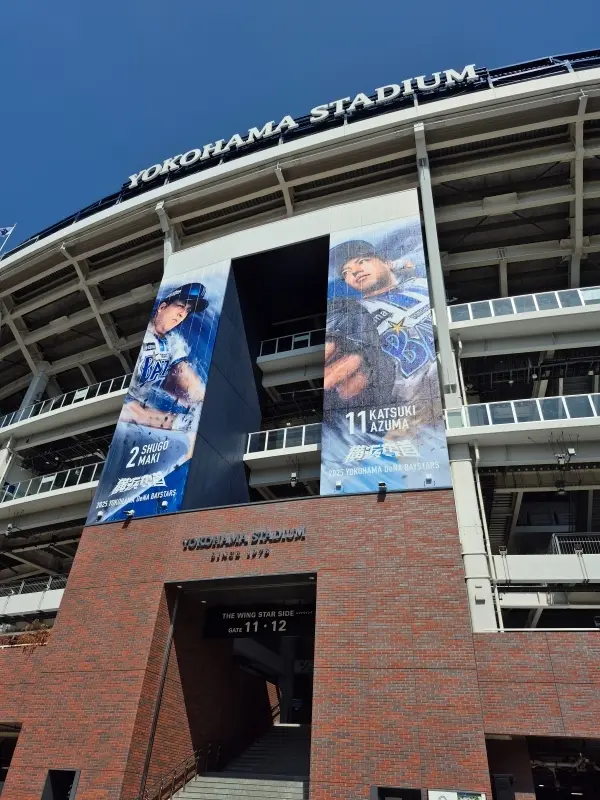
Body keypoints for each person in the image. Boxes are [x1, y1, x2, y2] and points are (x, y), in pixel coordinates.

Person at [324, 239, 438, 411]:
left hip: (443, 392)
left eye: (362, 261)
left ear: (385, 262)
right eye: (346, 272)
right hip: (412, 413)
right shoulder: (351, 314)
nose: (355, 272)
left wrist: (400, 265)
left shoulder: (420, 284)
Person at [121, 283, 207, 430]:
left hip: (143, 409)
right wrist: (174, 422)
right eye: (180, 306)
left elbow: (183, 376)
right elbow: (130, 407)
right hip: (128, 413)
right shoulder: (145, 339)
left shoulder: (173, 341)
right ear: (162, 307)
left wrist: (203, 405)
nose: (182, 314)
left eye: (187, 310)